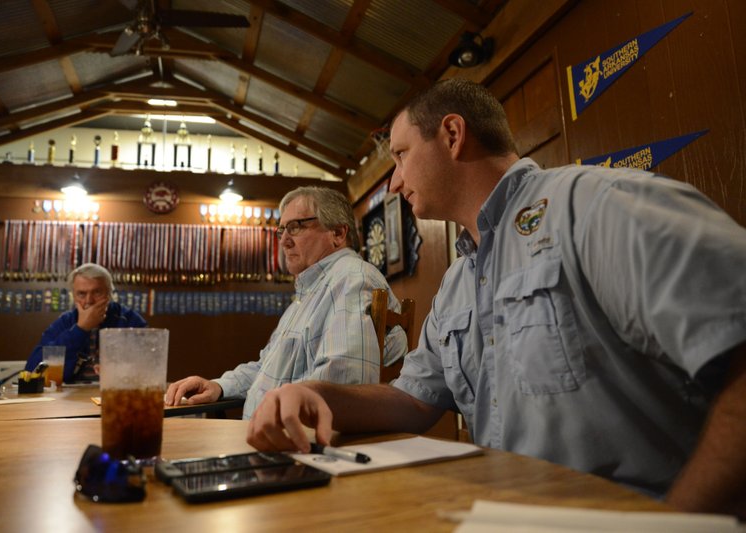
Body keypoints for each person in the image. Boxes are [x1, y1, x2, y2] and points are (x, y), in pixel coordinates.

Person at [246, 79, 746, 517]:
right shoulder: (459, 278)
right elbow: (412, 401)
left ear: (452, 135)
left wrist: (681, 523)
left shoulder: (594, 207)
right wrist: (318, 393)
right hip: (501, 512)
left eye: (399, 155)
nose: (394, 181)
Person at [165, 186, 407, 419]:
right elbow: (265, 367)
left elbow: (342, 384)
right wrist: (219, 386)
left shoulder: (351, 279)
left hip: (296, 446)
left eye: (296, 227)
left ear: (338, 233)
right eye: (282, 231)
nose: (284, 241)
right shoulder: (309, 295)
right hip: (270, 439)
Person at [25, 263, 147, 383]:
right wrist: (80, 329)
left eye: (97, 292)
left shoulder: (129, 320)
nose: (89, 301)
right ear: (74, 296)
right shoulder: (66, 321)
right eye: (82, 294)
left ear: (109, 294)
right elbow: (32, 370)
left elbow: (149, 365)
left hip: (116, 393)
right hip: (71, 397)